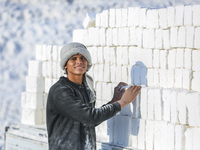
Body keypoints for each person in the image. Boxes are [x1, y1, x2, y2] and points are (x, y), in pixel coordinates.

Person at [46, 42, 142, 150]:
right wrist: (123, 102)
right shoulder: (60, 91)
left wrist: (114, 100)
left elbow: (87, 122)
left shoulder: (85, 88)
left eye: (83, 58)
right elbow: (90, 118)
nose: (79, 62)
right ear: (65, 64)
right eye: (73, 58)